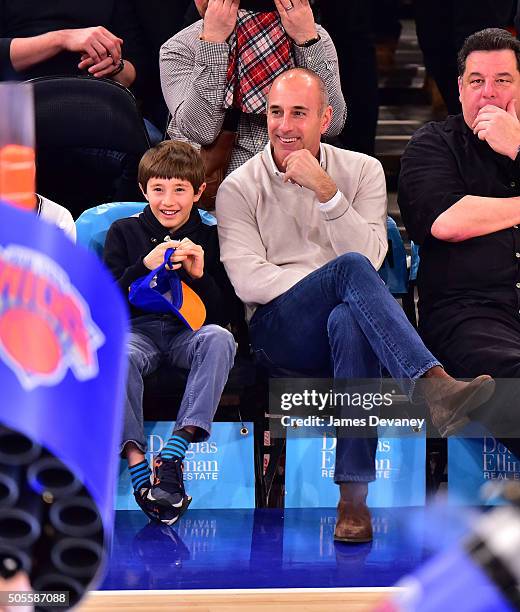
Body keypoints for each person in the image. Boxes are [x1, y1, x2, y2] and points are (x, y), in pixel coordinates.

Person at [216, 67, 494, 543]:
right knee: (347, 278)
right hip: (281, 331)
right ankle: (433, 387)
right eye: (276, 112)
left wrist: (326, 190)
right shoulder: (237, 187)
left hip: (355, 327)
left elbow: (373, 255)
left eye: (299, 113)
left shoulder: (362, 170)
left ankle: (352, 502)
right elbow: (249, 280)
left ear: (325, 118)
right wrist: (329, 283)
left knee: (349, 317)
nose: (285, 125)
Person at [399, 28, 520, 452]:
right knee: (511, 378)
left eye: (502, 81)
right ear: (459, 88)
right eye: (476, 81)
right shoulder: (433, 145)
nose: (488, 93)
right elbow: (447, 222)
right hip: (470, 317)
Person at [103, 140, 237, 524]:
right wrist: (140, 269)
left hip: (187, 334)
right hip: (137, 333)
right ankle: (137, 462)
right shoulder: (123, 232)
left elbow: (224, 314)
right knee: (117, 352)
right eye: (159, 189)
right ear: (143, 190)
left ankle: (176, 452)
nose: (169, 200)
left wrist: (201, 276)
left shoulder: (211, 237)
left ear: (198, 192)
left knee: (220, 339)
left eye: (180, 189)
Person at [160, 0, 346, 175]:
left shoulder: (312, 35)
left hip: (294, 185)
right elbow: (202, 131)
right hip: (215, 192)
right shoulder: (180, 47)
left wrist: (307, 40)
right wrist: (213, 42)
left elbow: (332, 124)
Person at [0, 1, 143, 87]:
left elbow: (136, 71)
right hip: (19, 99)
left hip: (98, 100)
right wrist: (61, 39)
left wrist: (113, 66)